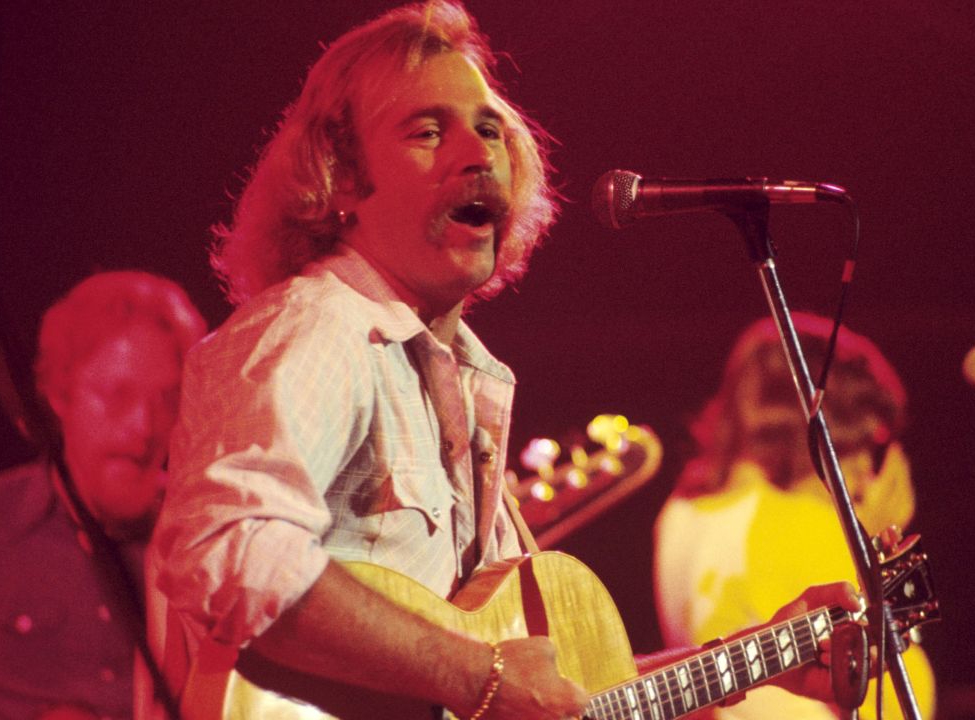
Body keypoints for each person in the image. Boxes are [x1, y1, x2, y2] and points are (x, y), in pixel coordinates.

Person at [149, 3, 862, 719]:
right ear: (338, 178)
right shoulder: (317, 326)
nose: (479, 153)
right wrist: (475, 677)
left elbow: (550, 696)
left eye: (489, 129)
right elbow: (228, 549)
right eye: (429, 131)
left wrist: (761, 655)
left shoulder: (456, 376)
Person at [0, 271, 206, 720]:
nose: (143, 425)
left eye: (166, 399)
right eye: (117, 395)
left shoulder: (199, 534)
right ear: (61, 394)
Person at [654, 313, 937, 720]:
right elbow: (897, 705)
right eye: (868, 445)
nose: (864, 475)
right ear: (829, 434)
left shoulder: (678, 516)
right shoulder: (797, 522)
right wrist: (870, 558)